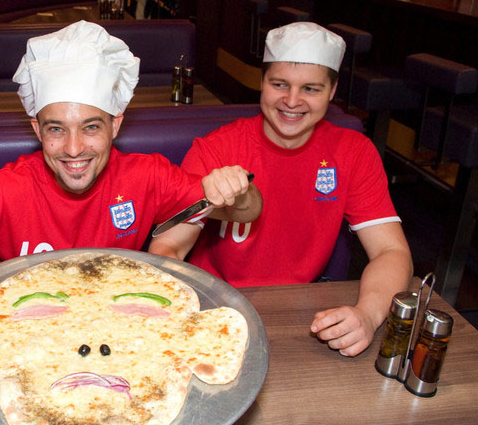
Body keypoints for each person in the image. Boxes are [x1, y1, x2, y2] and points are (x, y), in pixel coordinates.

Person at [0, 21, 263, 293]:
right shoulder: (0, 190)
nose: (75, 149)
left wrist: (236, 191)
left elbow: (245, 212)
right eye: (56, 129)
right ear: (36, 129)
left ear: (116, 124)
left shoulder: (147, 175)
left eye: (91, 127)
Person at [149, 22, 413, 357]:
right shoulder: (215, 149)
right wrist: (186, 308)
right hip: (214, 305)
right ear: (262, 83)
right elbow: (167, 245)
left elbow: (392, 251)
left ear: (332, 92)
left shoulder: (354, 151)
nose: (292, 101)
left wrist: (369, 314)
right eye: (279, 84)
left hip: (301, 312)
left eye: (311, 89)